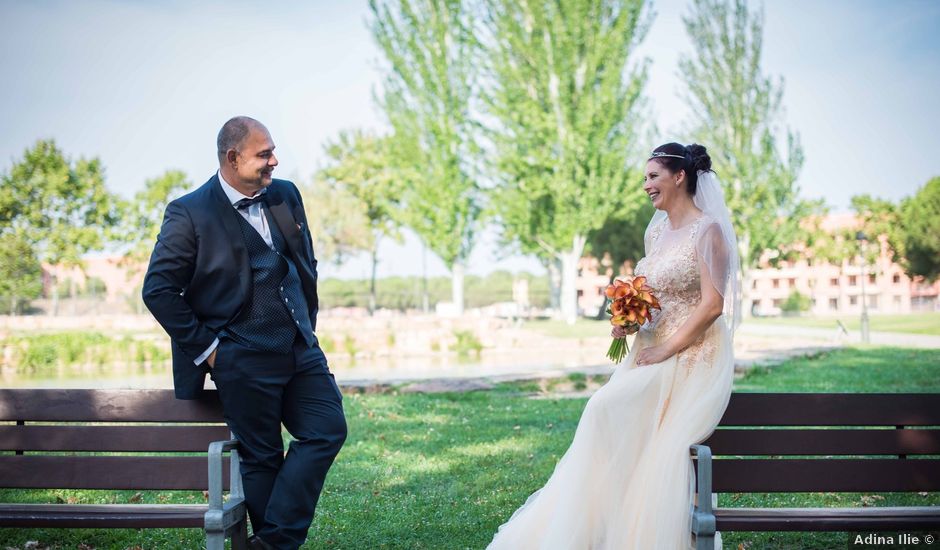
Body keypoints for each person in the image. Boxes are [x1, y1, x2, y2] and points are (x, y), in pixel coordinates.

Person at [486, 142, 740, 549]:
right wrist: (629, 317)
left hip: (691, 355)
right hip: (649, 349)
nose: (646, 186)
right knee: (609, 420)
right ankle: (603, 527)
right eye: (645, 178)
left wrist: (667, 348)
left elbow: (712, 304)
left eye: (653, 176)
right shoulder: (656, 232)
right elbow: (658, 294)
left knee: (606, 409)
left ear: (679, 177)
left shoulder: (708, 230)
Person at [143, 116, 347, 550]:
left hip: (299, 348)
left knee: (327, 429)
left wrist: (306, 325)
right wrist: (211, 351)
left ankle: (269, 544)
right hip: (239, 357)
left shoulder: (285, 195)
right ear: (232, 158)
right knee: (262, 457)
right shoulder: (190, 212)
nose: (275, 160)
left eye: (272, 150)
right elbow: (158, 290)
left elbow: (303, 263)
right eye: (264, 154)